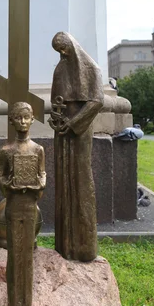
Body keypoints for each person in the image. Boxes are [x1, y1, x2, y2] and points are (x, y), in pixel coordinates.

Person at [49, 31, 104, 261]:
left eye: (64, 49)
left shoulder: (91, 69)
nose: (62, 54)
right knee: (63, 181)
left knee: (81, 180)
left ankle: (83, 246)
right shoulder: (60, 69)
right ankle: (65, 245)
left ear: (72, 45)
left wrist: (74, 123)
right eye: (59, 51)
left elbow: (96, 101)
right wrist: (57, 120)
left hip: (80, 132)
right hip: (63, 133)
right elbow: (56, 103)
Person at [0, 102, 46, 306]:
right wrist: (12, 184)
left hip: (30, 205)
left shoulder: (38, 150)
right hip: (14, 205)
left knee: (27, 254)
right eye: (18, 118)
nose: (23, 122)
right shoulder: (6, 151)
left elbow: (42, 174)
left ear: (33, 119)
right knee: (15, 254)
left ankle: (26, 305)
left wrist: (38, 184)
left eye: (27, 118)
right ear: (11, 121)